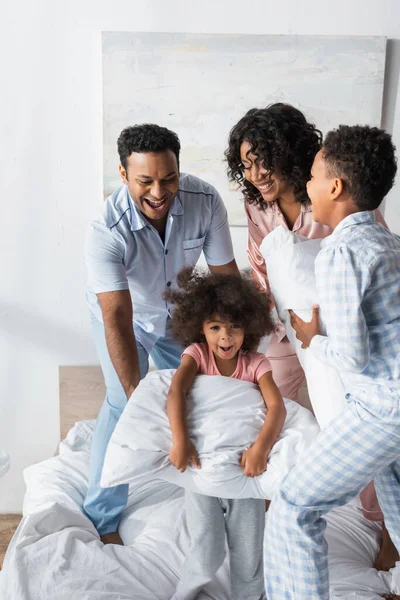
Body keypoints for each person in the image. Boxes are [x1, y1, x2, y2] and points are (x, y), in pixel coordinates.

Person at [83, 124, 239, 544]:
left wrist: (229, 352)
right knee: (120, 403)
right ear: (122, 174)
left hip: (179, 313)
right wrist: (135, 390)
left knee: (199, 390)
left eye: (168, 178)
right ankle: (102, 518)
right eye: (145, 181)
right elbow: (116, 313)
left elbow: (226, 282)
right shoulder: (105, 229)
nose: (159, 191)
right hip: (125, 316)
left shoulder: (205, 201)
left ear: (179, 169)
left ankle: (217, 490)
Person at [264, 125, 400, 600]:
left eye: (316, 176)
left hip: (381, 408)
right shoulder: (393, 245)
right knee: (399, 508)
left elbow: (350, 355)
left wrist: (309, 337)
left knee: (293, 505)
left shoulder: (340, 250)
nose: (308, 186)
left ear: (336, 187)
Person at [225, 103, 387, 402]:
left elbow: (374, 248)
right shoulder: (256, 206)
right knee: (269, 404)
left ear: (287, 154)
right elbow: (261, 267)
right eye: (246, 166)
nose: (254, 175)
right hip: (286, 324)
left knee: (342, 402)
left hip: (344, 325)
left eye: (263, 162)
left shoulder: (335, 195)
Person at [165, 268, 286, 600]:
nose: (225, 337)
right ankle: (186, 592)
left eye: (234, 326)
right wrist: (181, 439)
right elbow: (176, 391)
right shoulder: (197, 355)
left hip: (243, 471)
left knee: (249, 554)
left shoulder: (257, 363)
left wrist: (261, 449)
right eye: (215, 327)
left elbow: (276, 408)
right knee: (205, 551)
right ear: (199, 328)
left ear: (249, 326)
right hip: (202, 466)